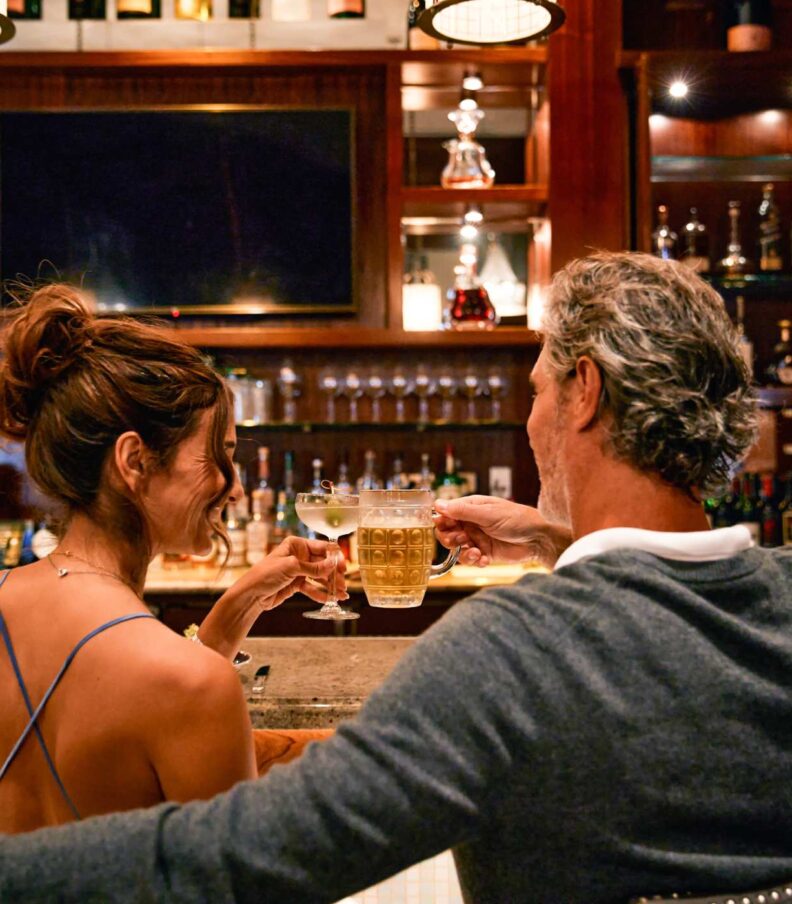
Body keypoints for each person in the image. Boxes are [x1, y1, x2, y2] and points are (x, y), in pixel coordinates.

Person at [2, 251, 792, 903]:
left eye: (537, 389)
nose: (531, 415)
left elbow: (243, 856)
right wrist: (555, 536)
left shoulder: (511, 652)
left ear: (583, 393)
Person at [0, 284, 342, 833]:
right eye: (220, 455)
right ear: (134, 461)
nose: (233, 490)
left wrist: (238, 606)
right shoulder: (194, 686)